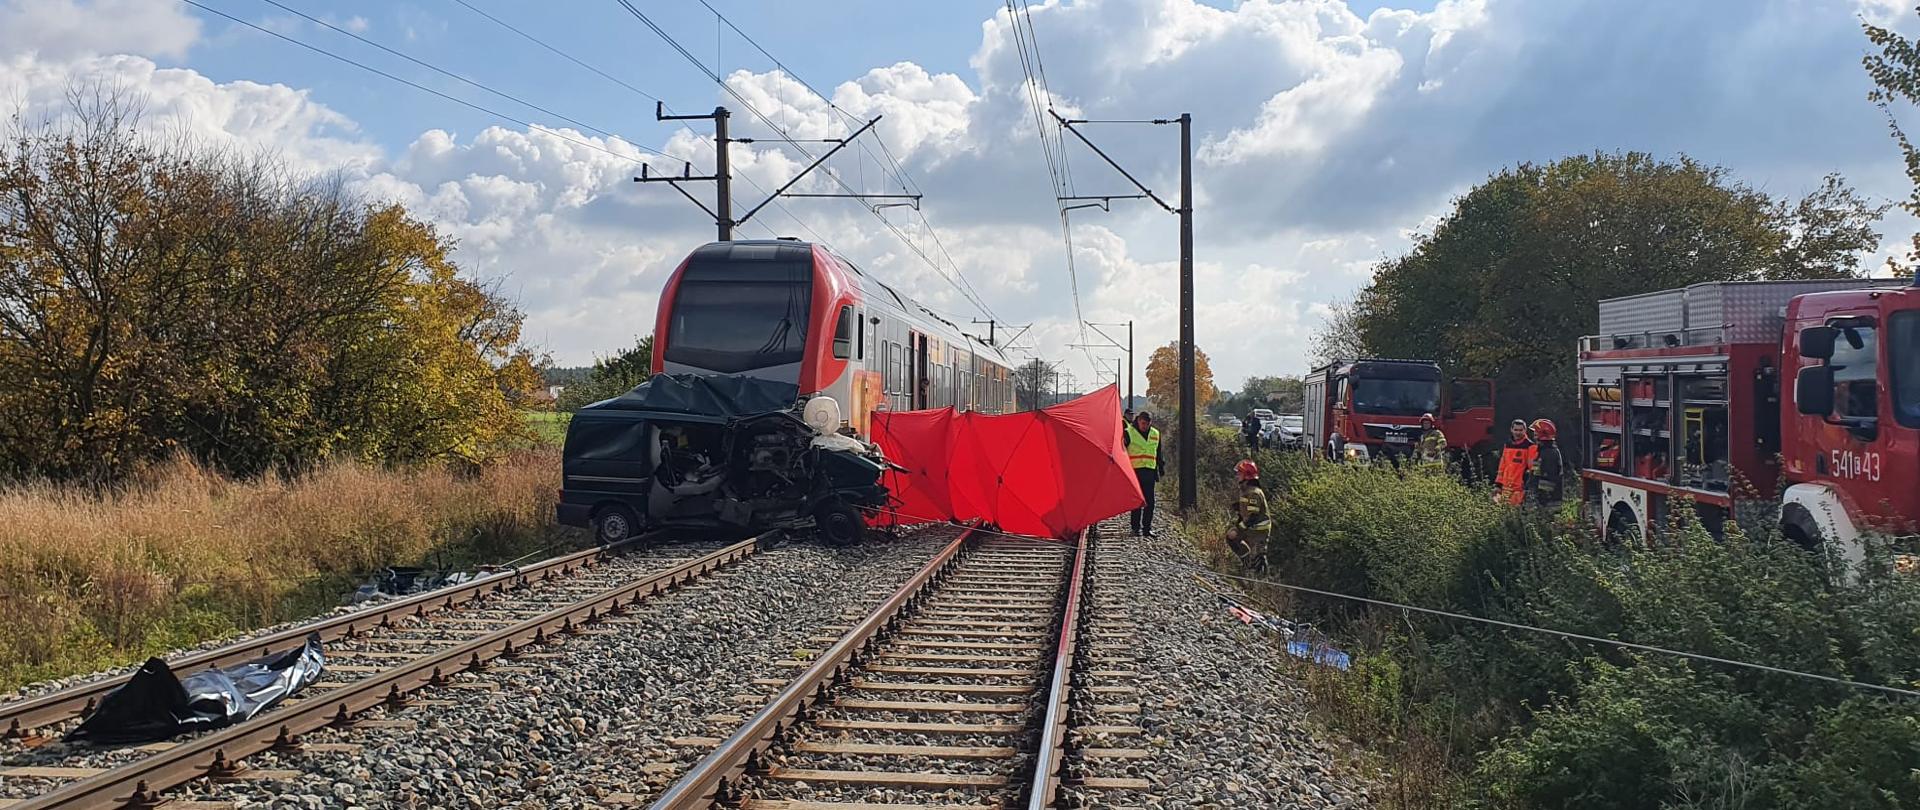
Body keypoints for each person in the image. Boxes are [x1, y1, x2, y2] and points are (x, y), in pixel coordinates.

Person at [1225, 459, 1273, 570]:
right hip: (1252, 525)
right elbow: (1247, 512)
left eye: (1239, 473)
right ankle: (1247, 563)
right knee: (1232, 536)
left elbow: (1253, 517)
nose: (1237, 476)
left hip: (1259, 528)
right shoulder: (1246, 489)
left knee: (1258, 557)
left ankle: (1252, 571)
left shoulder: (1253, 493)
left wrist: (1239, 528)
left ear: (1246, 476)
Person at [1124, 410, 1164, 536]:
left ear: (1150, 423)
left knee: (1150, 503)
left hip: (1149, 472)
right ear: (1138, 421)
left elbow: (1158, 452)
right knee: (1137, 501)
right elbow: (1122, 451)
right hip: (1135, 472)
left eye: (1147, 424)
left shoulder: (1155, 434)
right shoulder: (1129, 432)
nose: (1144, 426)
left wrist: (1160, 467)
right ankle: (1135, 528)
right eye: (1142, 423)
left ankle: (1147, 529)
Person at [1494, 418, 1536, 506]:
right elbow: (1502, 466)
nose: (1518, 432)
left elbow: (1532, 469)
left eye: (1521, 430)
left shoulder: (1530, 446)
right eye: (1516, 430)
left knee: (1515, 514)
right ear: (1511, 430)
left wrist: (1528, 486)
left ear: (1525, 430)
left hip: (1519, 489)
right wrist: (1498, 484)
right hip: (1505, 487)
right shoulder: (1508, 444)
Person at [1529, 418, 1564, 509]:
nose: (1534, 436)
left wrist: (1541, 497)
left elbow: (1548, 478)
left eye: (1536, 433)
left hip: (1549, 501)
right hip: (1545, 499)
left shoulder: (1549, 453)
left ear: (1542, 434)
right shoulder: (1544, 451)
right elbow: (1537, 473)